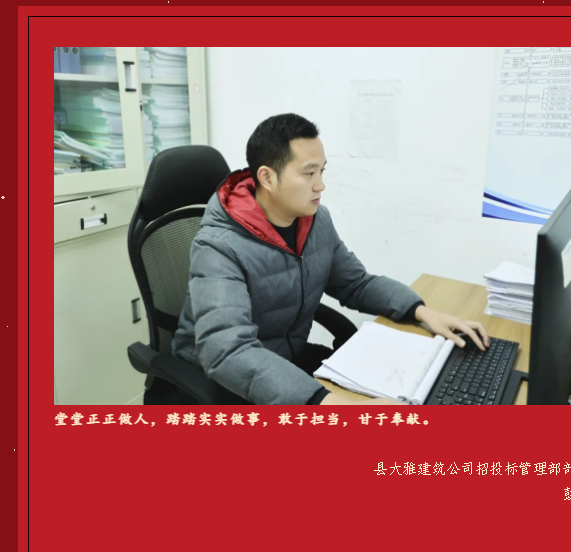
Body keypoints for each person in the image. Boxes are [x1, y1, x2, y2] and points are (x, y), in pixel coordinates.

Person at [150, 113, 489, 406]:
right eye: (309, 174)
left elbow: (355, 283)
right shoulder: (219, 246)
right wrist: (328, 403)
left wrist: (424, 313)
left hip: (286, 365)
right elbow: (227, 351)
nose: (320, 185)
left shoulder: (314, 221)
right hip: (221, 382)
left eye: (322, 171)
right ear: (267, 177)